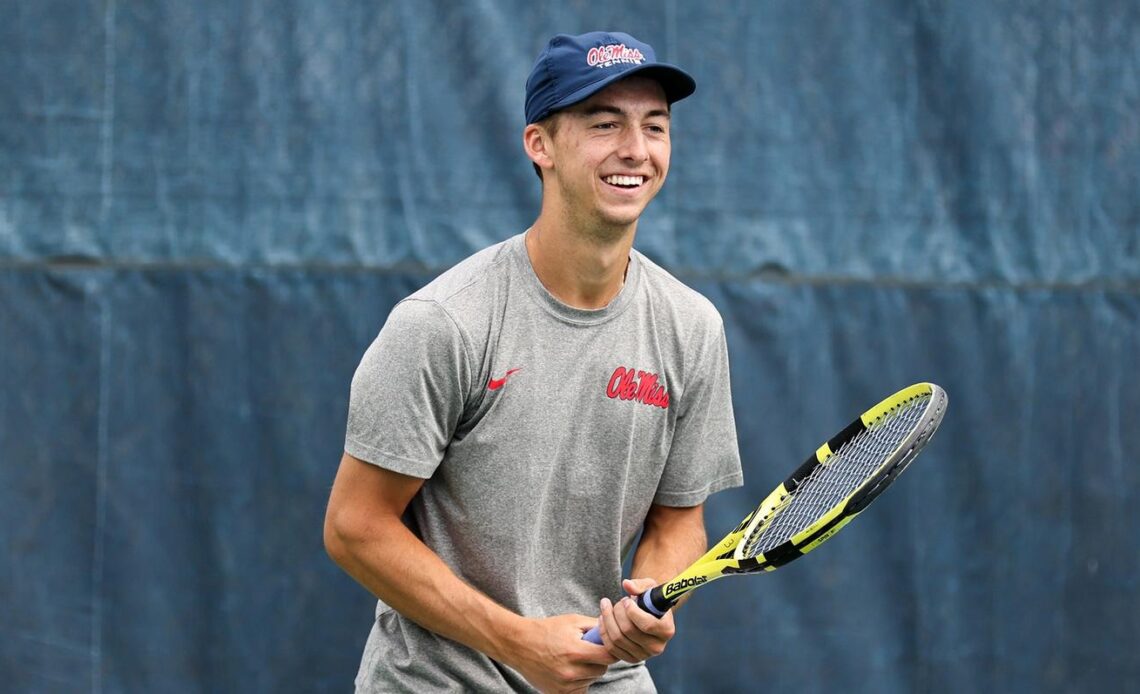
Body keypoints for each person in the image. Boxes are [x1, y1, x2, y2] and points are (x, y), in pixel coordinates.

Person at [324, 30, 742, 693]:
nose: (635, 149)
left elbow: (679, 522)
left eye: (654, 126)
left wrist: (651, 602)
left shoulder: (692, 327)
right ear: (539, 145)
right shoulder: (444, 323)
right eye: (605, 124)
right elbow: (354, 527)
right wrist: (517, 641)